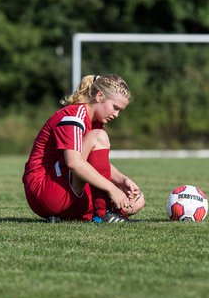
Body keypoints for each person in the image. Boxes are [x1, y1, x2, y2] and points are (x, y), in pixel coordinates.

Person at [22, 74, 145, 223]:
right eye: (115, 107)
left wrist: (122, 180)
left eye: (120, 110)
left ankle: (94, 213)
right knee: (98, 137)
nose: (116, 114)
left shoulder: (96, 123)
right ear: (99, 96)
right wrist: (112, 189)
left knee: (137, 200)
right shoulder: (73, 116)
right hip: (43, 191)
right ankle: (102, 213)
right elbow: (74, 163)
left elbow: (95, 163)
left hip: (65, 189)